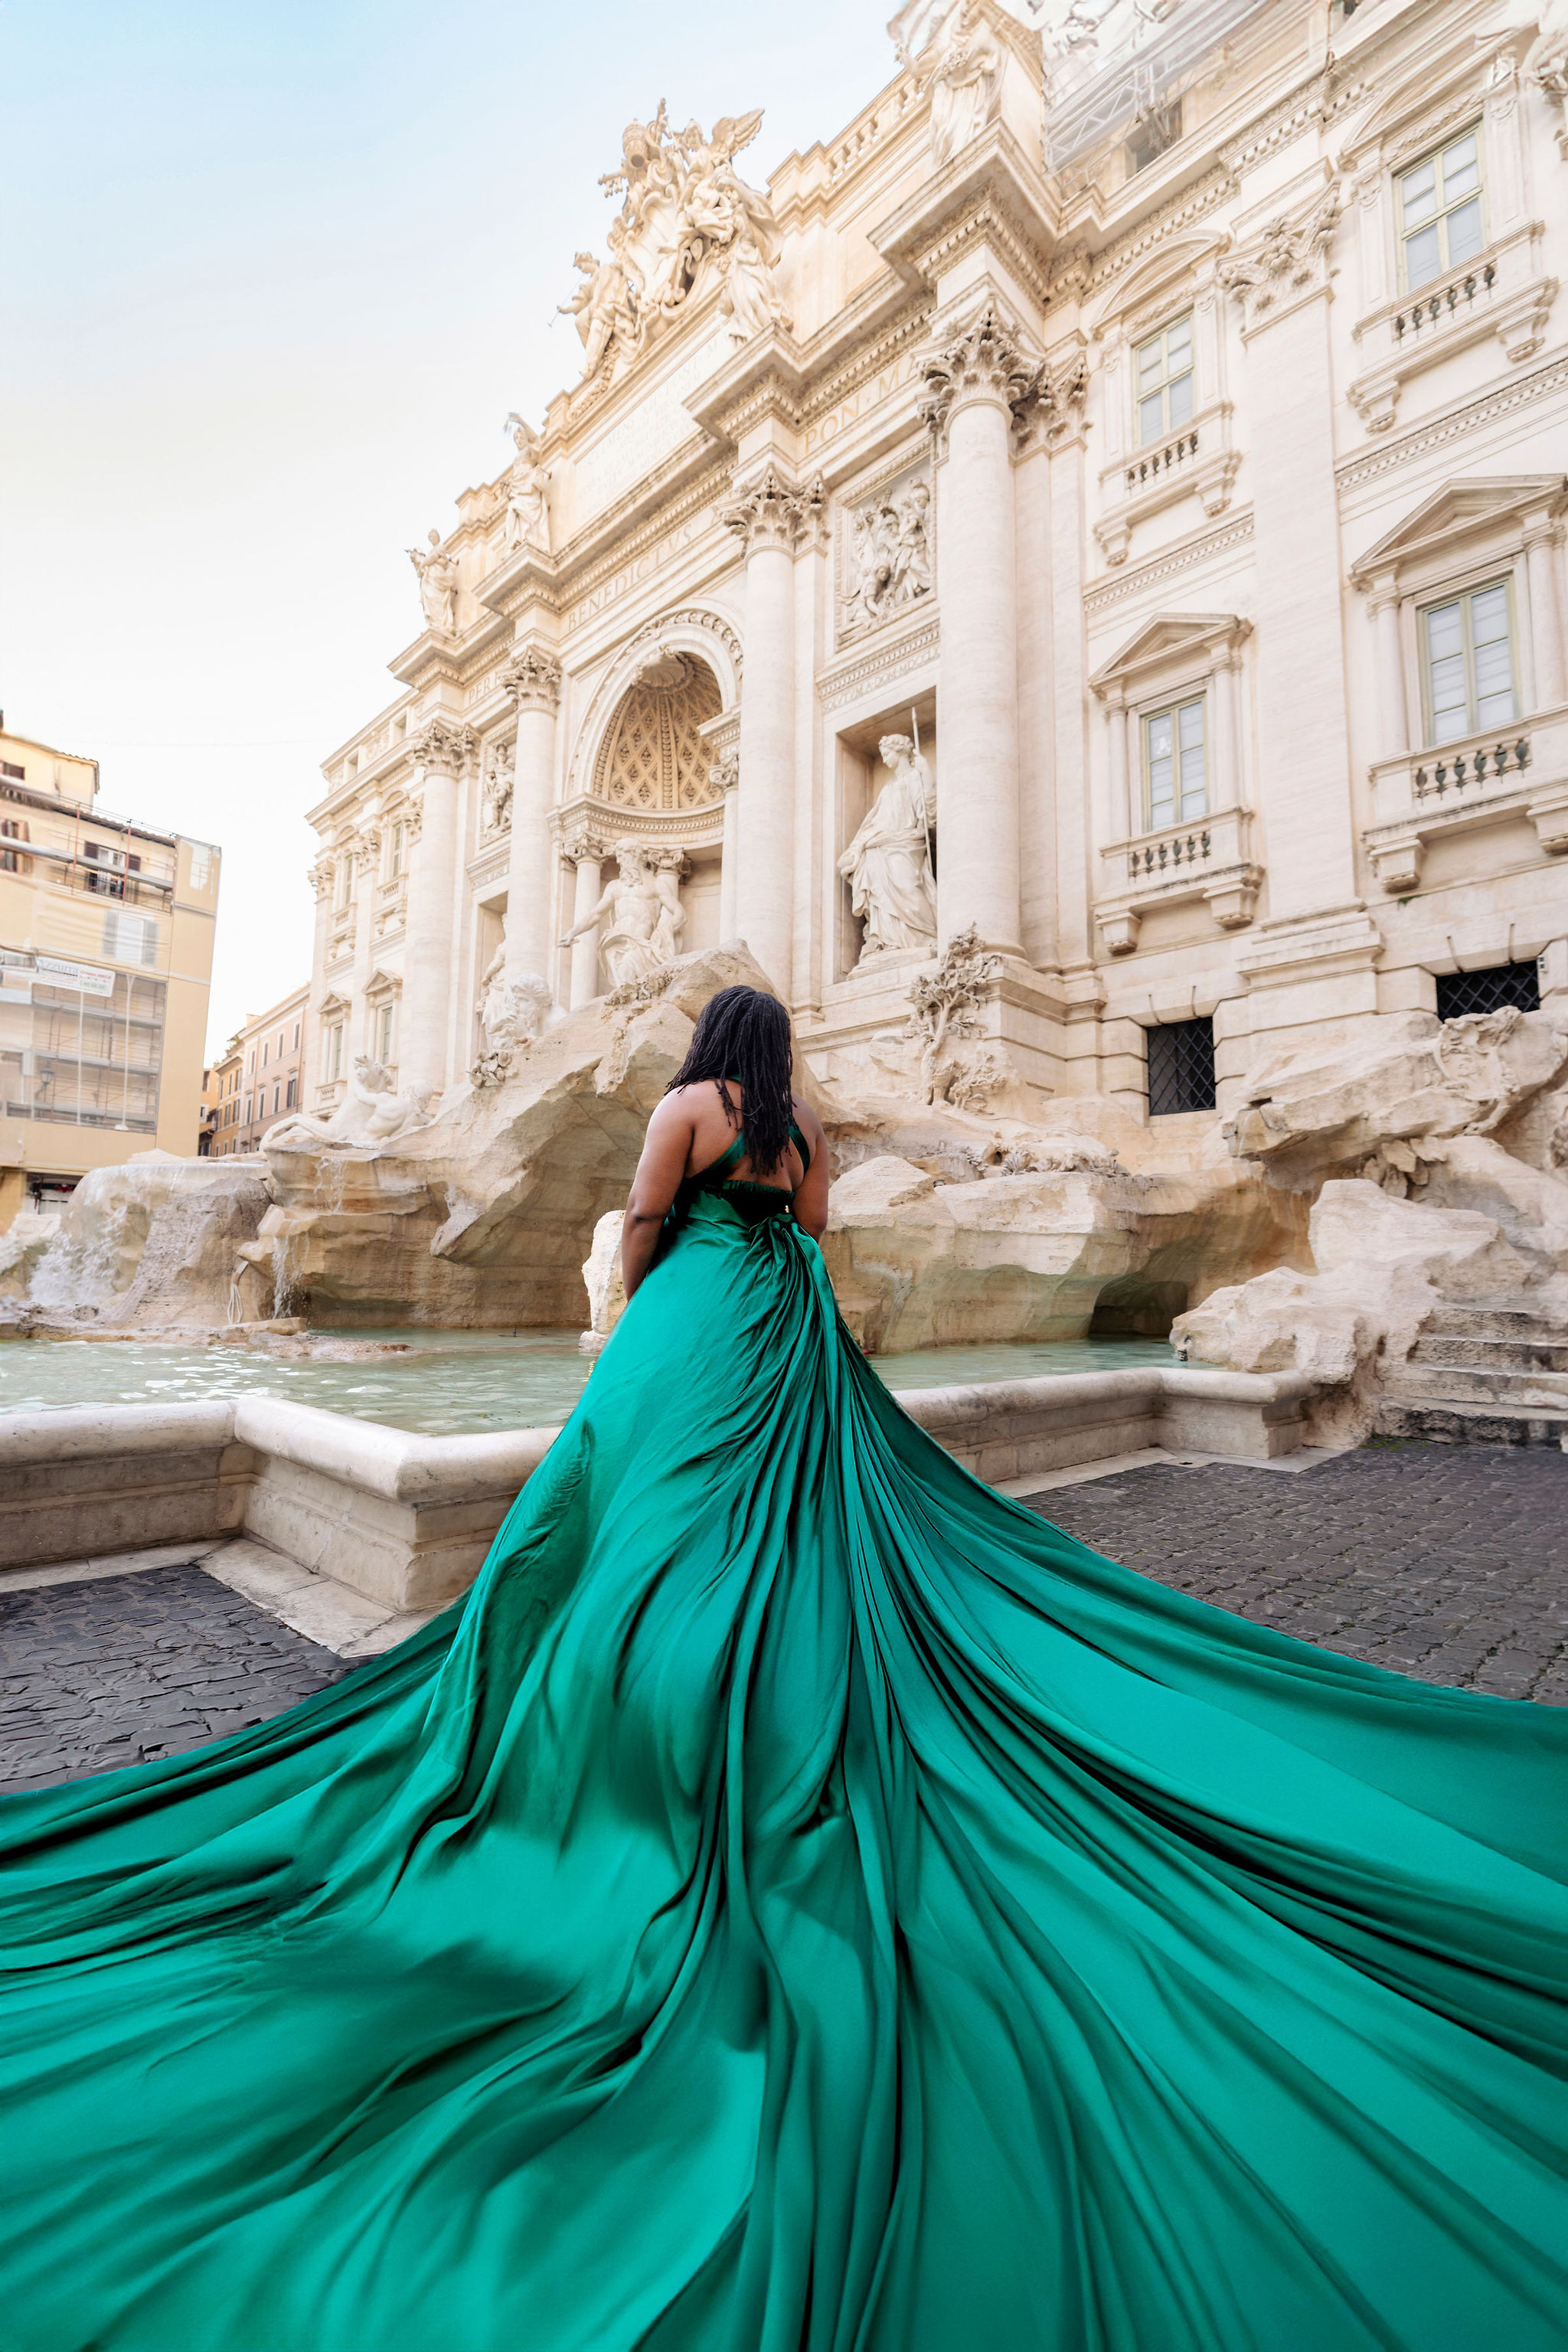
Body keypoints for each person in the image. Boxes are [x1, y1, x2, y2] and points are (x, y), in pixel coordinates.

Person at [1, 981, 1566, 2351]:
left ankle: (622, 1697)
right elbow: (815, 1240)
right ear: (785, 1056)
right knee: (778, 1525)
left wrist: (625, 1309)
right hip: (783, 1326)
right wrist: (764, 1249)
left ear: (707, 1047)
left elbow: (633, 1219)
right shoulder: (804, 1136)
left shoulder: (686, 1104)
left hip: (691, 1316)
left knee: (626, 1512)